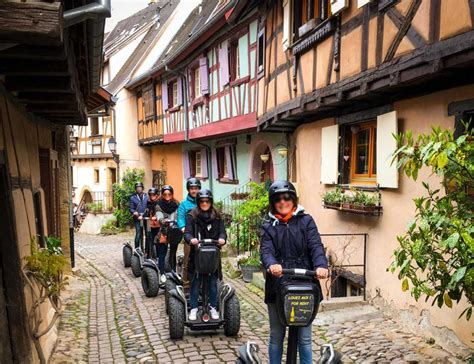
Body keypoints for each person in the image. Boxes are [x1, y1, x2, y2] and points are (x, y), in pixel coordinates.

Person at [260, 181, 329, 364]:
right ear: (273, 202)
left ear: (293, 199)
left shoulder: (306, 221)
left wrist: (321, 265)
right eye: (278, 199)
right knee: (276, 335)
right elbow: (266, 251)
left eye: (287, 197)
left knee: (305, 339)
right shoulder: (268, 226)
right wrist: (272, 265)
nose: (283, 202)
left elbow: (316, 246)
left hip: (305, 286)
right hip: (277, 286)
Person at [184, 189, 226, 321]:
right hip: (197, 255)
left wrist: (222, 239)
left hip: (213, 255)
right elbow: (187, 233)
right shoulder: (192, 215)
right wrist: (191, 239)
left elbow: (223, 232)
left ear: (210, 202)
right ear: (198, 202)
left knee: (213, 283)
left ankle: (213, 307)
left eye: (207, 201)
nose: (204, 203)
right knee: (195, 282)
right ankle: (194, 308)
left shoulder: (217, 216)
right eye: (202, 201)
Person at [177, 177, 201, 285]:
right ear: (188, 189)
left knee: (204, 258)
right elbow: (180, 218)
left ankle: (203, 281)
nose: (194, 191)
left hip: (202, 235)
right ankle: (186, 282)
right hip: (189, 235)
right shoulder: (184, 204)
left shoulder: (203, 201)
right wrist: (183, 227)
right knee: (187, 260)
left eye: (196, 188)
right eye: (192, 188)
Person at [155, 185, 179, 283]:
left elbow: (179, 215)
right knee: (162, 253)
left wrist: (178, 221)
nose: (167, 195)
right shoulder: (159, 204)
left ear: (172, 194)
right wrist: (162, 220)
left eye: (169, 194)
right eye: (165, 194)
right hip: (164, 232)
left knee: (173, 253)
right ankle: (162, 273)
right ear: (162, 195)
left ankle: (173, 271)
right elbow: (159, 216)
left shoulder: (177, 204)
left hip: (174, 231)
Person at [129, 182, 148, 250]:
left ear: (142, 188)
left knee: (147, 234)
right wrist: (135, 212)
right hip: (137, 218)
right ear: (135, 189)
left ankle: (147, 250)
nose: (139, 189)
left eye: (140, 187)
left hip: (146, 218)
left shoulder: (146, 196)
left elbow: (149, 206)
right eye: (137, 188)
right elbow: (131, 208)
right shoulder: (133, 198)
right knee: (138, 234)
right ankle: (137, 249)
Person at [145, 187, 160, 258]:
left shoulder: (160, 202)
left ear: (157, 195)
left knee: (158, 241)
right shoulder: (148, 202)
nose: (152, 196)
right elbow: (147, 212)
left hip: (158, 225)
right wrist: (145, 214)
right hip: (150, 224)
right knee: (149, 240)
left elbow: (162, 212)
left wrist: (156, 216)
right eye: (151, 195)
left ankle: (158, 257)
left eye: (153, 195)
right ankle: (149, 256)